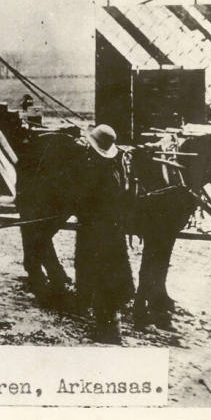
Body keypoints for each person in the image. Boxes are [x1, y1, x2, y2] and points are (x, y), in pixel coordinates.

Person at [73, 125, 134, 344]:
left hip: (97, 233)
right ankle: (113, 328)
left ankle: (107, 332)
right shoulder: (116, 169)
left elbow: (84, 201)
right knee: (112, 278)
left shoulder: (95, 171)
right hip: (113, 232)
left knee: (99, 277)